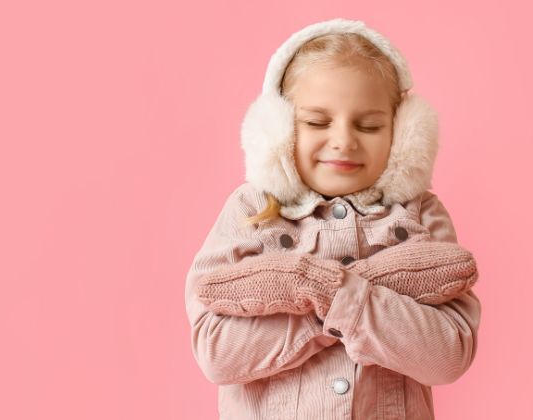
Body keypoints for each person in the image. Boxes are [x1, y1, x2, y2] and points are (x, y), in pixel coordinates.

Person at [184, 17, 482, 419]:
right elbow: (218, 352)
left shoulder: (421, 215)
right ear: (278, 130)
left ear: (404, 133)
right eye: (317, 122)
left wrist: (342, 295)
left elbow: (448, 353)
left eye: (370, 125)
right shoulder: (249, 212)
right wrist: (324, 295)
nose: (344, 139)